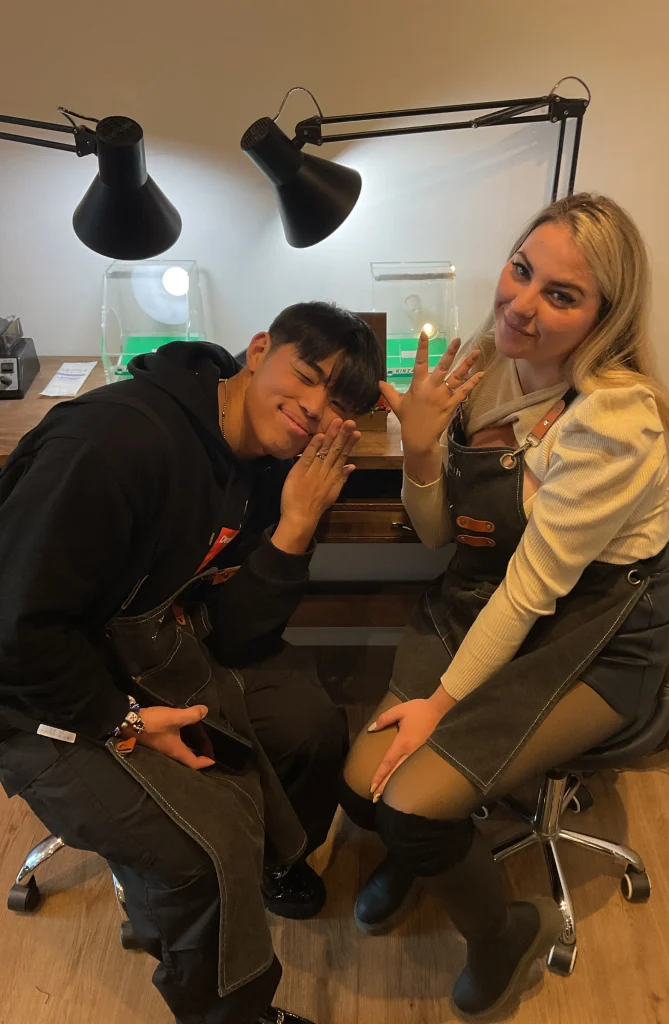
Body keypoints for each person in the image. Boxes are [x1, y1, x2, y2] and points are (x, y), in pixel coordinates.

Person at [340, 194, 669, 1020]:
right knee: (363, 786)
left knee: (412, 804)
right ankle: (423, 852)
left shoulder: (615, 421)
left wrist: (440, 706)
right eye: (521, 270)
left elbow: (535, 590)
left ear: (605, 316)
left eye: (561, 295)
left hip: (594, 630)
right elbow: (441, 535)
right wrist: (421, 450)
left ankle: (505, 933)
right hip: (486, 594)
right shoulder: (488, 360)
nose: (521, 304)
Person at [0, 302, 384, 1024]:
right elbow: (14, 629)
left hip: (154, 653)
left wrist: (295, 528)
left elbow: (235, 638)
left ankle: (265, 871)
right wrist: (123, 721)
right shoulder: (116, 442)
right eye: (306, 376)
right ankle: (227, 1005)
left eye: (338, 405)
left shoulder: (268, 469)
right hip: (33, 695)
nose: (314, 410)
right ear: (259, 348)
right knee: (196, 855)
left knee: (308, 725)